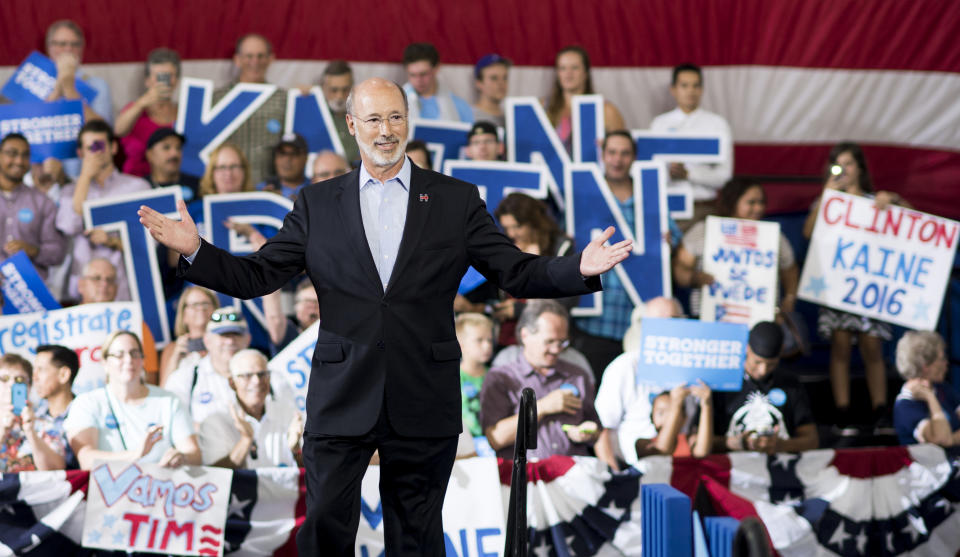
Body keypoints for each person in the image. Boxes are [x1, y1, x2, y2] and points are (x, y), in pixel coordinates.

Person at [138, 76, 628, 556]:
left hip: (423, 395)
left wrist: (577, 269)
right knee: (326, 531)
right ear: (352, 125)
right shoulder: (316, 203)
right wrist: (196, 250)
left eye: (395, 117)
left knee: (416, 537)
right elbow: (259, 275)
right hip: (341, 396)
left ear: (408, 123)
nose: (385, 129)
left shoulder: (456, 200)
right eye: (373, 118)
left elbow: (515, 271)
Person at [802, 142, 910, 432]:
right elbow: (808, 232)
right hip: (837, 287)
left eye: (848, 164)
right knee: (840, 345)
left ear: (860, 168)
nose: (844, 171)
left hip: (869, 287)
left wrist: (896, 201)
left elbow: (914, 224)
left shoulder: (876, 200)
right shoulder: (828, 202)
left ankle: (879, 411)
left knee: (871, 346)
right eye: (838, 165)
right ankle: (843, 412)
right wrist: (826, 197)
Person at [480, 300, 600, 460]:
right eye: (549, 341)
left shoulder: (578, 376)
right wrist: (542, 407)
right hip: (525, 478)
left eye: (562, 342)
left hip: (575, 475)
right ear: (525, 335)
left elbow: (596, 429)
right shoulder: (502, 378)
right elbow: (495, 439)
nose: (556, 349)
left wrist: (588, 433)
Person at [64, 330, 202, 470]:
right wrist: (136, 455)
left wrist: (182, 458)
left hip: (161, 487)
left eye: (134, 354)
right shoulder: (87, 403)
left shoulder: (168, 400)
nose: (129, 360)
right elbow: (87, 460)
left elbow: (194, 454)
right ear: (104, 362)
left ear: (143, 360)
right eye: (119, 355)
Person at [572, 131, 645, 380]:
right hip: (594, 321)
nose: (617, 159)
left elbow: (670, 241)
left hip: (635, 322)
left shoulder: (649, 197)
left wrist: (665, 239)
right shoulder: (583, 196)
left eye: (625, 153)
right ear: (603, 155)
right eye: (612, 152)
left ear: (634, 157)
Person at [674, 178, 799, 318]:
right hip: (708, 316)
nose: (758, 208)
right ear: (733, 202)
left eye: (762, 202)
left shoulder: (772, 236)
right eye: (751, 202)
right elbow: (680, 268)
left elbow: (790, 269)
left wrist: (789, 299)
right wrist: (694, 277)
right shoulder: (705, 230)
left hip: (761, 321)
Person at [55, 120, 151, 302]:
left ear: (113, 147)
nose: (96, 153)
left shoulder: (137, 187)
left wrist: (112, 241)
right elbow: (68, 225)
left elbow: (151, 242)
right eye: (90, 148)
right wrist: (85, 176)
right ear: (80, 153)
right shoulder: (69, 191)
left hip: (124, 287)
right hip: (82, 291)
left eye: (100, 146)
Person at [593, 296, 685, 470]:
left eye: (673, 321)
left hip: (681, 468)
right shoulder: (624, 367)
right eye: (658, 323)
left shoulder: (693, 370)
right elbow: (601, 429)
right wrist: (615, 476)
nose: (667, 329)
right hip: (631, 468)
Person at [163, 307, 293, 424]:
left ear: (248, 339)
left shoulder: (272, 379)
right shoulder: (185, 379)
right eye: (223, 335)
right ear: (207, 341)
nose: (230, 341)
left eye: (236, 335)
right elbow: (171, 424)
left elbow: (292, 420)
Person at [487, 192, 577, 347]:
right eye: (507, 228)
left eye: (517, 227)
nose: (511, 233)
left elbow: (567, 299)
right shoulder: (506, 247)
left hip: (546, 337)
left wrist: (521, 309)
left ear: (533, 222)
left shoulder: (560, 247)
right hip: (507, 339)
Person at [714, 322, 819, 454]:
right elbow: (697, 442)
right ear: (747, 348)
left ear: (782, 350)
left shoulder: (790, 384)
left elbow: (812, 439)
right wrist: (734, 442)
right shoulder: (722, 383)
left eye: (771, 364)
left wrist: (781, 445)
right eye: (757, 362)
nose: (763, 370)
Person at [650, 64, 733, 228]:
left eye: (696, 86)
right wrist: (670, 172)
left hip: (703, 207)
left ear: (702, 89)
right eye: (684, 85)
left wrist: (689, 173)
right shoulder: (659, 124)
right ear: (673, 89)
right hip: (666, 208)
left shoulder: (717, 124)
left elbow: (724, 176)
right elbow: (652, 171)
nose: (690, 91)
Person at [199, 349, 303, 468]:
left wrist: (296, 451)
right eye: (247, 376)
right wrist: (245, 440)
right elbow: (217, 478)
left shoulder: (288, 413)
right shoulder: (214, 422)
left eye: (262, 374)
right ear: (232, 383)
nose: (256, 381)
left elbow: (308, 473)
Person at [72, 258, 160, 390]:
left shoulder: (135, 324)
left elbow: (150, 376)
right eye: (96, 278)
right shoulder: (63, 325)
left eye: (110, 280)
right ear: (81, 285)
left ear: (117, 288)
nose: (104, 284)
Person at [212, 34, 286, 184]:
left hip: (269, 187)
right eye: (249, 56)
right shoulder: (217, 99)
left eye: (261, 56)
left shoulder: (284, 99)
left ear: (271, 59)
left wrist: (307, 97)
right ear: (237, 60)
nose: (255, 62)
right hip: (226, 187)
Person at [0, 133, 66, 279]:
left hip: (31, 294)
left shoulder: (43, 202)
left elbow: (58, 253)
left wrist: (33, 250)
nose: (19, 161)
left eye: (25, 155)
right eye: (12, 154)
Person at [545, 46, 625, 154]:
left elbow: (624, 149)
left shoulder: (606, 110)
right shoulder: (542, 107)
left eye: (575, 67)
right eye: (563, 68)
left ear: (586, 72)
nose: (568, 74)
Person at [117, 48, 182, 178]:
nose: (164, 82)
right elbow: (119, 130)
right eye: (159, 77)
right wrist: (141, 103)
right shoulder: (134, 110)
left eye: (169, 76)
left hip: (175, 182)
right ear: (147, 81)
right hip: (136, 181)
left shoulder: (184, 112)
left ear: (177, 81)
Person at [0, 354, 68, 471]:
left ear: (29, 386)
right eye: (4, 379)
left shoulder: (45, 424)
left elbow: (57, 469)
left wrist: (31, 432)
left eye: (19, 379)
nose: (11, 385)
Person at [893, 331, 956, 446]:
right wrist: (931, 398)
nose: (946, 363)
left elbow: (947, 440)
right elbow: (940, 439)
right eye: (941, 359)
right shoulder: (906, 405)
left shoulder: (943, 389)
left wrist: (951, 439)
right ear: (926, 366)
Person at [31, 345, 81, 469]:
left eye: (41, 370)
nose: (34, 377)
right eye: (34, 370)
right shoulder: (33, 418)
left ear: (64, 375)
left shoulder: (85, 414)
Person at [158, 286, 219, 386]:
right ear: (184, 314)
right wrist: (175, 359)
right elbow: (164, 391)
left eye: (205, 304)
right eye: (195, 305)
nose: (201, 308)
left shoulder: (226, 342)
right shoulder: (172, 349)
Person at [635, 382, 713, 458]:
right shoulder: (643, 442)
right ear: (652, 417)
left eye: (672, 413)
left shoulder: (687, 438)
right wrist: (676, 403)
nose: (667, 418)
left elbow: (702, 451)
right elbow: (662, 450)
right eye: (661, 413)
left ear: (684, 418)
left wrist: (706, 404)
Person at [402, 42, 473, 123]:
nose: (418, 80)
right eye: (413, 75)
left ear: (437, 68)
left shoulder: (460, 107)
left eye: (423, 74)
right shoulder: (395, 105)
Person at [456, 313, 494, 438]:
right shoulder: (453, 378)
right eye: (479, 340)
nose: (487, 345)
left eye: (489, 340)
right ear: (461, 344)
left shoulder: (496, 375)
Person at [319, 60, 360, 163]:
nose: (340, 96)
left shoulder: (364, 115)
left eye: (345, 89)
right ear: (323, 89)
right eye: (334, 90)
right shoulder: (314, 112)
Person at [143, 128, 200, 200]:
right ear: (150, 155)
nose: (174, 154)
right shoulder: (139, 187)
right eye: (166, 147)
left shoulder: (198, 186)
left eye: (178, 148)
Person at [257, 133, 310, 199]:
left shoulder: (316, 189)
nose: (287, 159)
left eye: (294, 153)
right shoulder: (260, 191)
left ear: (305, 158)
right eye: (282, 153)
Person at [472, 54, 510, 127]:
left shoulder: (511, 118)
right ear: (479, 83)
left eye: (505, 78)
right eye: (494, 78)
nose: (501, 83)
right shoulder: (467, 116)